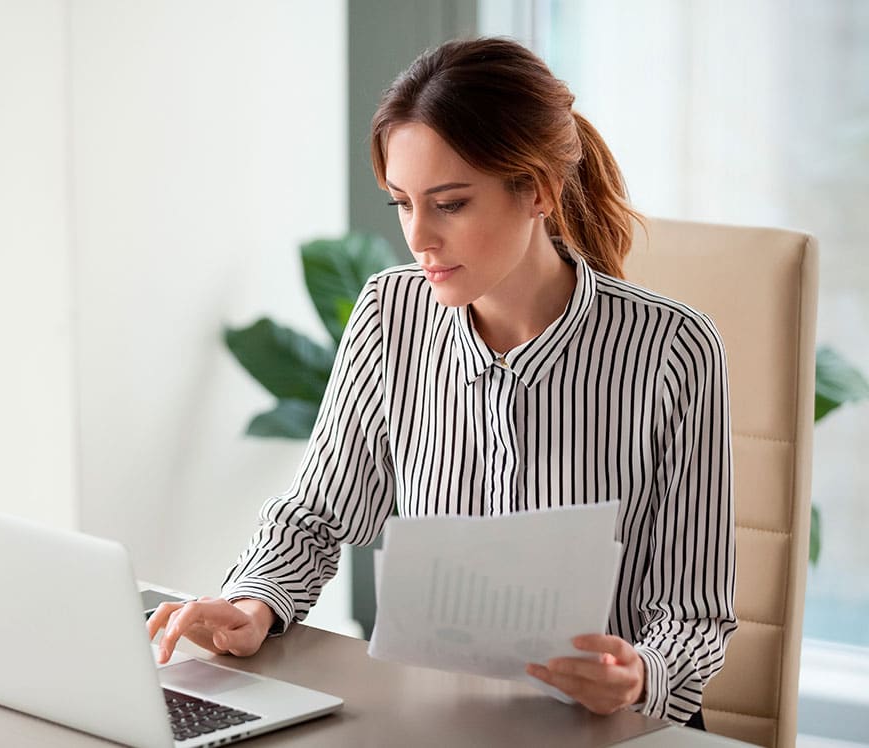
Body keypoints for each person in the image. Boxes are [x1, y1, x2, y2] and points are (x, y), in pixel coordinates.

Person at [147, 36, 736, 729]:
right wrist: (254, 602)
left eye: (450, 204)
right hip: (432, 722)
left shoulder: (674, 349)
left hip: (608, 730)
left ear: (538, 190)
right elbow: (316, 515)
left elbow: (692, 614)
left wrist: (639, 676)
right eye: (402, 203)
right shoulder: (389, 313)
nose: (418, 237)